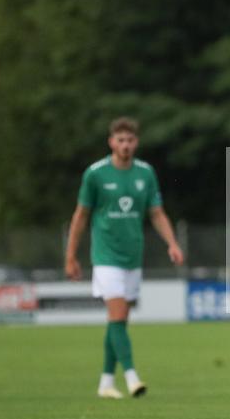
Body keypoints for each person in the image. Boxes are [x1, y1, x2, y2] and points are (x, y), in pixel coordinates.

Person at [65, 117, 184, 399]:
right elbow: (81, 216)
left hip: (133, 256)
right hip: (106, 256)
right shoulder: (95, 174)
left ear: (136, 142)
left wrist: (172, 243)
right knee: (118, 316)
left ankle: (106, 383)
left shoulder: (145, 173)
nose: (125, 145)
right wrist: (71, 256)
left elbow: (156, 212)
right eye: (120, 140)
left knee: (118, 321)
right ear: (111, 142)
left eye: (130, 140)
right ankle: (132, 378)